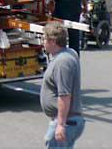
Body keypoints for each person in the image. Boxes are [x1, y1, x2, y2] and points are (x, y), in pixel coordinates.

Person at [40, 21, 85, 149]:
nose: (43, 42)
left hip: (68, 121)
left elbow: (64, 95)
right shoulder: (69, 53)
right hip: (69, 120)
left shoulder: (62, 62)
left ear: (53, 41)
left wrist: (60, 124)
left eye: (44, 39)